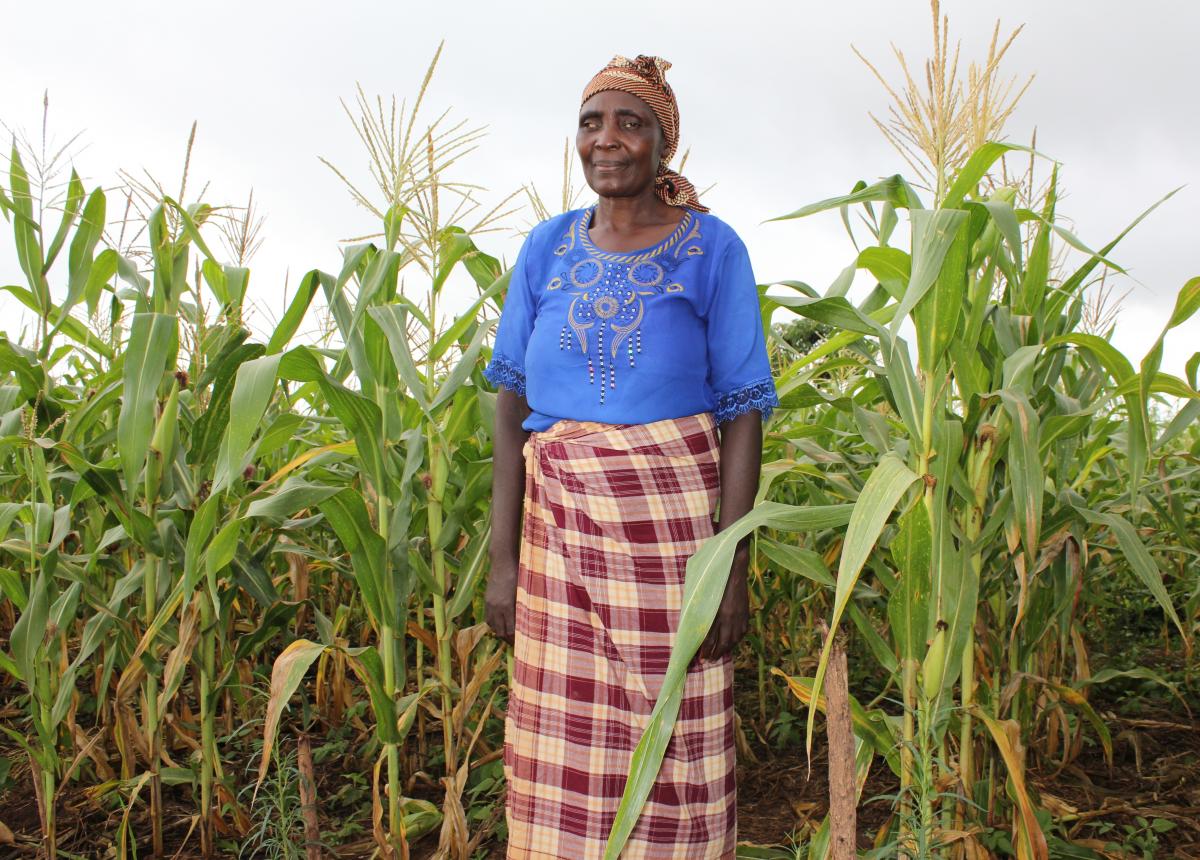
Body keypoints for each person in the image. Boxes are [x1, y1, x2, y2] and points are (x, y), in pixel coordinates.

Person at [482, 53, 779, 860]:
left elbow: (743, 415)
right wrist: (502, 560)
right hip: (557, 539)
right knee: (561, 737)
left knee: (673, 723)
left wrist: (730, 571)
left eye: (629, 122)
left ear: (662, 143)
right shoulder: (546, 249)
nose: (605, 139)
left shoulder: (711, 250)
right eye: (590, 122)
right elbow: (511, 408)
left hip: (672, 542)